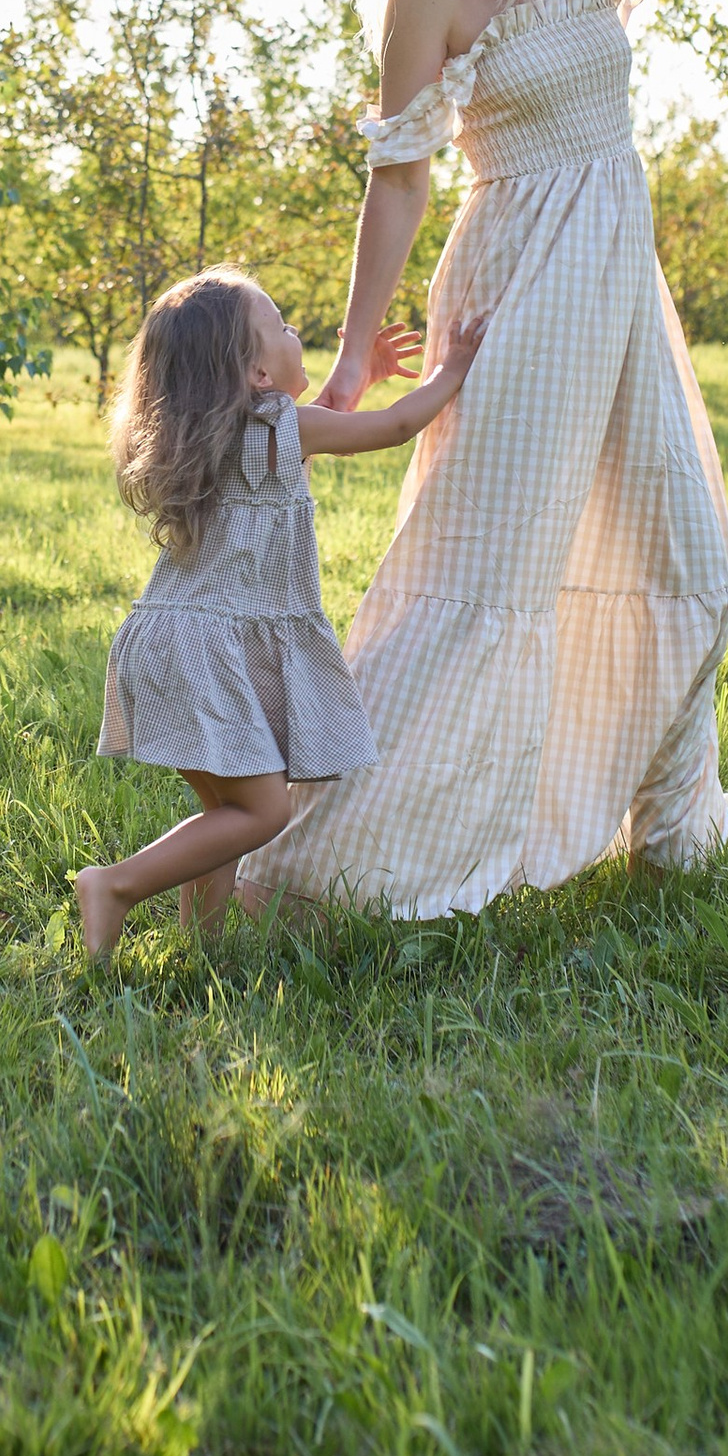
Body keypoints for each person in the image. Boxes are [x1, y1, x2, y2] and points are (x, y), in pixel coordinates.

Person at [239, 0, 728, 924]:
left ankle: (668, 831)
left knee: (688, 559)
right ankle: (344, 861)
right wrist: (356, 349)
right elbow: (400, 178)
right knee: (483, 574)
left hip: (616, 278)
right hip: (514, 287)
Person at [77, 268, 486, 964]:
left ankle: (201, 949)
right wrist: (453, 369)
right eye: (284, 326)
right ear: (259, 374)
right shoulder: (282, 430)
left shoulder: (217, 435)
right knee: (262, 812)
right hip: (209, 649)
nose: (296, 333)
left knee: (226, 813)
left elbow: (324, 422)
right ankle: (114, 885)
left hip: (167, 639)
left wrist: (364, 376)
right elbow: (393, 428)